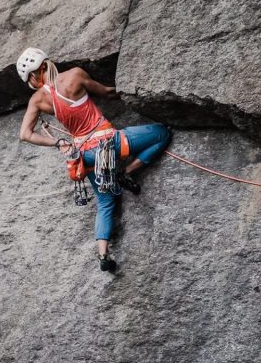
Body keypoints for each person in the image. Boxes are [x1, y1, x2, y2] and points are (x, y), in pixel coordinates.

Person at [15, 47, 171, 272]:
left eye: (30, 81)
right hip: (109, 143)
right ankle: (127, 172)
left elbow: (25, 134)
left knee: (105, 202)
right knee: (161, 133)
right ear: (45, 63)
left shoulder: (38, 100)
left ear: (33, 75)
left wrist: (58, 142)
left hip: (84, 155)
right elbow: (107, 93)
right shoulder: (75, 75)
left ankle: (103, 254)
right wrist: (133, 90)